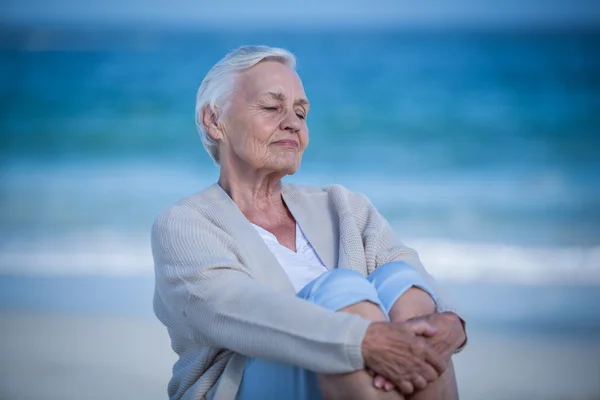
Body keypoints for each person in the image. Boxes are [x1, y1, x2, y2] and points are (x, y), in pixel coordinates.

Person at [151, 45, 467, 400]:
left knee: (400, 280)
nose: (293, 122)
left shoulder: (343, 205)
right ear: (214, 120)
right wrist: (361, 341)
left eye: (301, 113)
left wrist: (452, 323)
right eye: (272, 107)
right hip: (243, 387)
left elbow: (412, 271)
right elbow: (235, 309)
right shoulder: (185, 224)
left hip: (370, 381)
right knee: (340, 289)